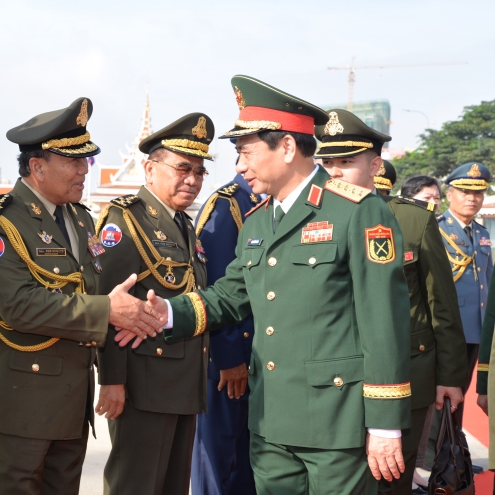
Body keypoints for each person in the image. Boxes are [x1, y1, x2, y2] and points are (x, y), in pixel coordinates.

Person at [117, 75, 413, 494]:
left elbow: (384, 320)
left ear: (287, 147)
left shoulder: (357, 211)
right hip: (270, 422)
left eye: (246, 152)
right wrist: (163, 312)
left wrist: (385, 424)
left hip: (337, 425)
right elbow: (230, 295)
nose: (239, 166)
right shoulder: (257, 221)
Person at [0, 97, 164, 495]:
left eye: (86, 160)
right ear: (37, 167)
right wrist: (107, 310)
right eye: (74, 161)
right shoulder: (1, 222)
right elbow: (19, 306)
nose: (84, 169)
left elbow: (95, 291)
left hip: (71, 403)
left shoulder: (81, 218)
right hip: (19, 402)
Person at [317, 108, 467, 495]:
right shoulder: (312, 220)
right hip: (333, 378)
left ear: (374, 166)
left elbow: (441, 304)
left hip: (406, 375)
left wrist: (450, 376)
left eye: (345, 163)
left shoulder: (413, 220)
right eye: (327, 163)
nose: (334, 172)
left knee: (391, 480)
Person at [94, 113, 213, 495]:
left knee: (173, 486)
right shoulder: (124, 220)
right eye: (182, 169)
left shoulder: (184, 225)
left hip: (183, 384)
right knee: (135, 486)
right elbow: (108, 304)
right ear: (149, 168)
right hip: (142, 387)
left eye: (199, 171)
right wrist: (111, 380)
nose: (192, 180)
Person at [191, 168, 259, 495]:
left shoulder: (267, 202)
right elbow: (217, 290)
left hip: (259, 358)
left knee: (247, 464)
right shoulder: (228, 204)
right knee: (218, 462)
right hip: (231, 361)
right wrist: (229, 358)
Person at [435, 162, 492, 425]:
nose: (472, 198)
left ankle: (453, 444)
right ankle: (440, 447)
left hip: (476, 327)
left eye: (478, 193)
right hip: (448, 328)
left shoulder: (481, 232)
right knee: (443, 394)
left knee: (462, 391)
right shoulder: (437, 229)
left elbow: (486, 281)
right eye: (465, 192)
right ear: (449, 195)